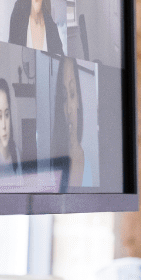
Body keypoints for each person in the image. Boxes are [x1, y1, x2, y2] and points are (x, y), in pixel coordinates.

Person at [52, 57, 88, 188]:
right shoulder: (55, 157)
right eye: (63, 97)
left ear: (78, 100)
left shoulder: (87, 158)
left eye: (72, 94)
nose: (68, 109)